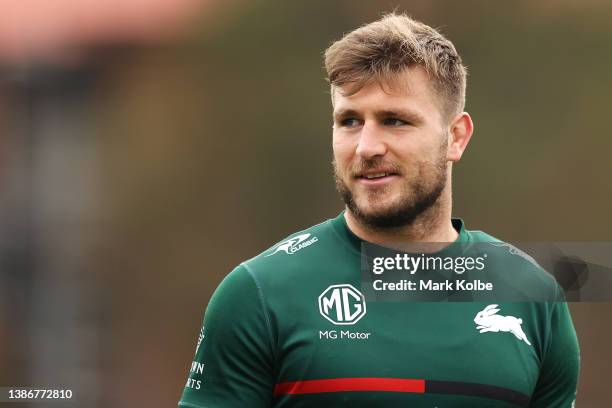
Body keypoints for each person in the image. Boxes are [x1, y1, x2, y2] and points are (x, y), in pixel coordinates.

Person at [178, 12, 579, 408]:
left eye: (394, 121)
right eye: (349, 121)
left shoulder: (533, 299)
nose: (366, 147)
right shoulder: (258, 295)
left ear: (455, 138)